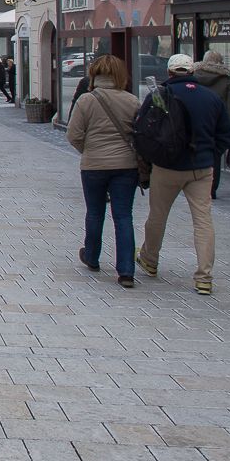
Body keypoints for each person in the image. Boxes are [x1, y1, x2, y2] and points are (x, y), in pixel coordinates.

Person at [138, 53, 230, 296]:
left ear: (170, 73)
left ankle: (150, 260)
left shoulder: (160, 95)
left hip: (167, 167)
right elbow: (226, 134)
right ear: (192, 71)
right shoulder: (211, 97)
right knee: (203, 221)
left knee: (158, 216)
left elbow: (143, 131)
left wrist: (151, 160)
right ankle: (204, 277)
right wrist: (210, 154)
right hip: (201, 168)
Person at [66, 55, 140, 288]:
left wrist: (89, 151)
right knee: (123, 216)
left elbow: (73, 135)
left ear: (94, 75)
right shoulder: (132, 101)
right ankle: (126, 271)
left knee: (95, 212)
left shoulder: (86, 101)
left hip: (94, 166)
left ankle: (92, 256)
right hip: (126, 166)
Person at [193, 49, 230, 199]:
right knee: (215, 159)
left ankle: (196, 186)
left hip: (196, 124)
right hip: (217, 126)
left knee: (196, 154)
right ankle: (211, 189)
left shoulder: (194, 76)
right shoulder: (226, 80)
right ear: (220, 62)